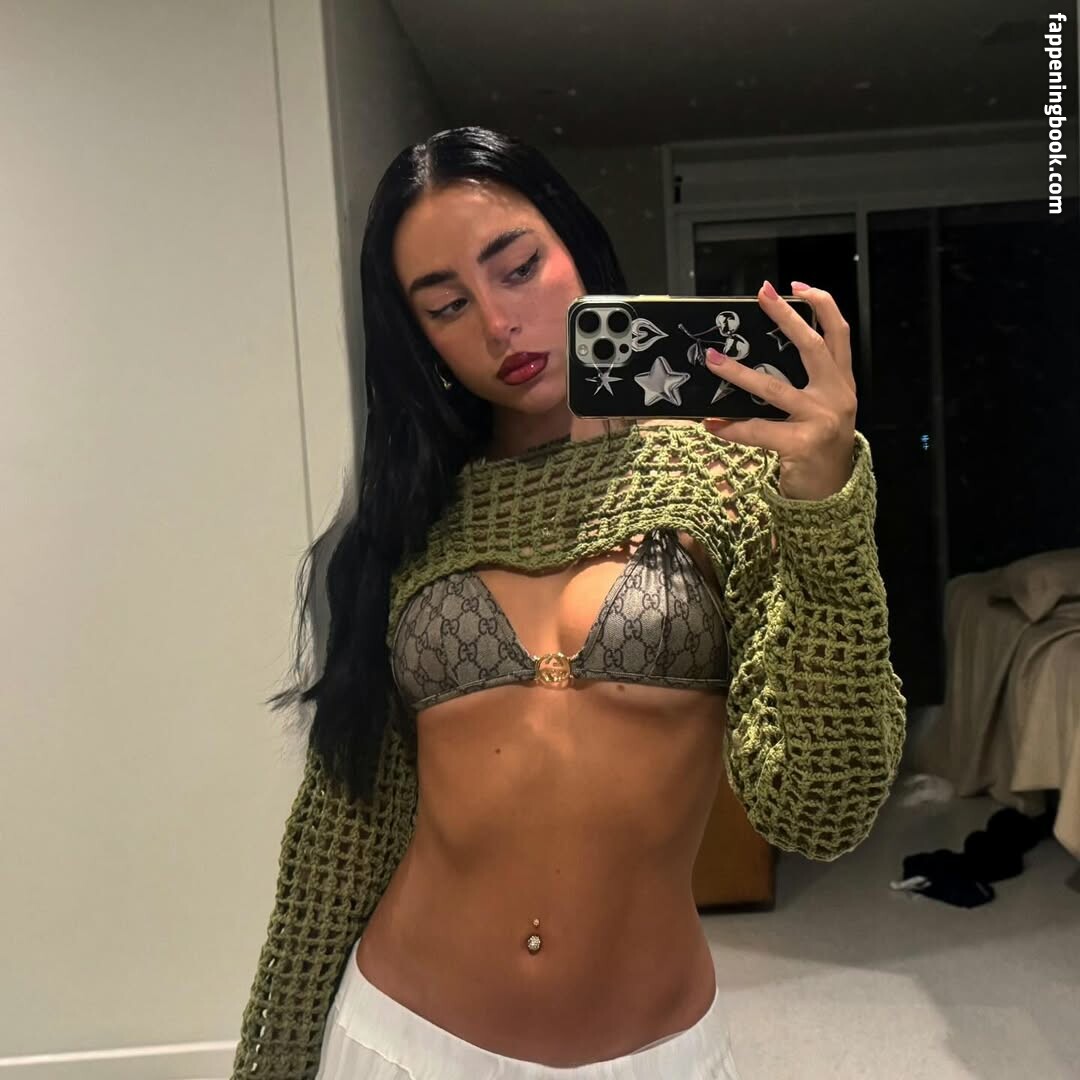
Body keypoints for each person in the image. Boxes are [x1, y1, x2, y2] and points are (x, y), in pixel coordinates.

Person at [230, 125, 907, 1080]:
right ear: (418, 336)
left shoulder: (726, 474)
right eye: (447, 305)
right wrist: (276, 1058)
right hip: (402, 1038)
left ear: (577, 247)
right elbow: (346, 829)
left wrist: (826, 507)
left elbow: (820, 809)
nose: (498, 324)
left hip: (652, 1054)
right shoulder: (411, 518)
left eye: (518, 269)